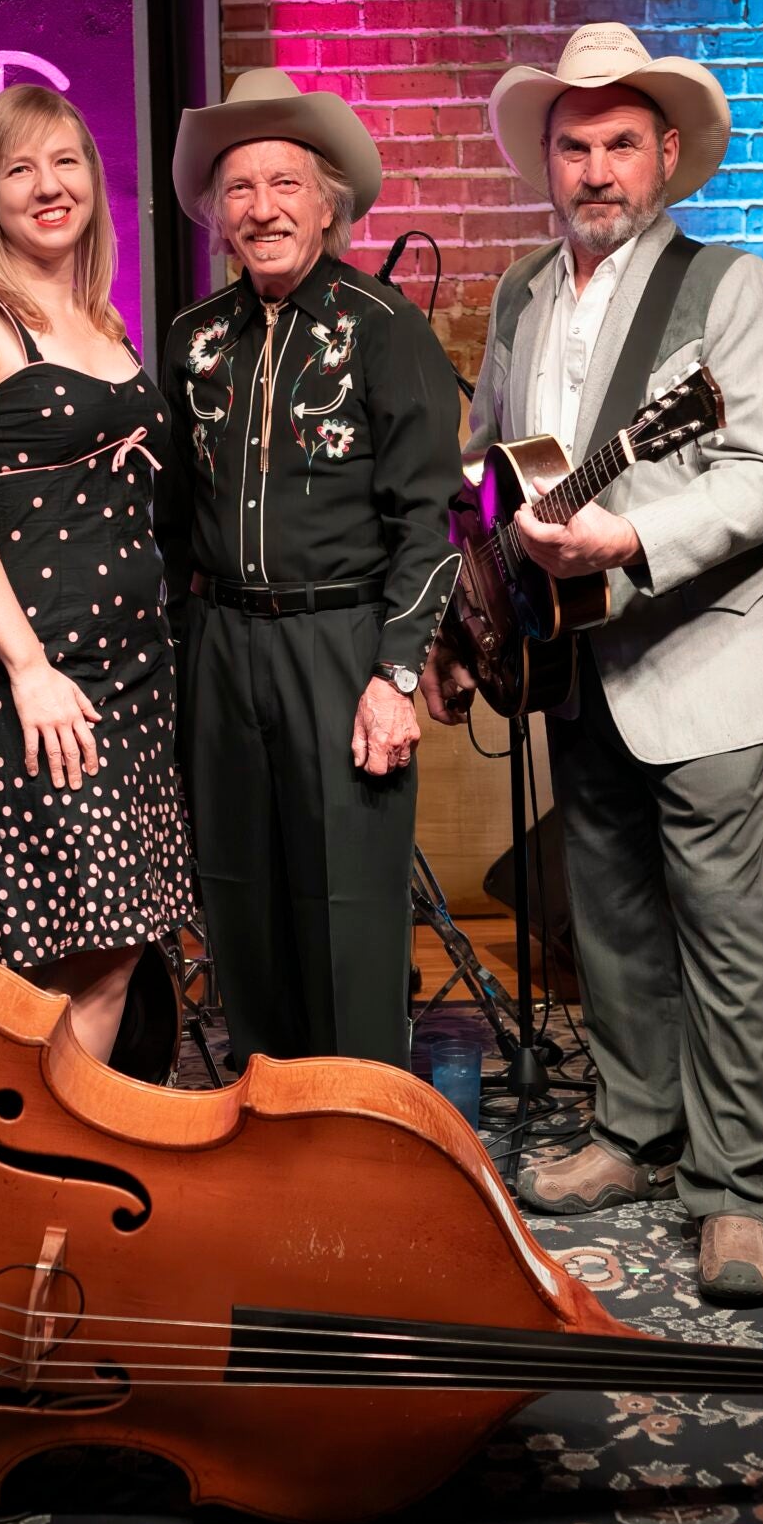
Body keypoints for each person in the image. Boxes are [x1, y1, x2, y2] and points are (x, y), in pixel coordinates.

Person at [425, 23, 763, 1304]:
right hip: (570, 658)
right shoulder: (520, 294)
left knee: (722, 928)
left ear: (667, 159)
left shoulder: (732, 286)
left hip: (702, 656)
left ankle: (739, 1189)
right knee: (609, 921)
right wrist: (485, 574)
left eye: (621, 147)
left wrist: (629, 532)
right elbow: (494, 459)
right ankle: (637, 1131)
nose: (596, 170)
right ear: (548, 160)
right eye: (574, 146)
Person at [160, 70, 464, 1067]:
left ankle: (361, 1139)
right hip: (220, 642)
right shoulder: (192, 340)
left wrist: (397, 675)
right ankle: (267, 1123)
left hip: (344, 647)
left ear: (328, 203)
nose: (263, 208)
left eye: (285, 183)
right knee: (239, 901)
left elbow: (428, 522)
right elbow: (171, 522)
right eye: (240, 189)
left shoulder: (385, 328)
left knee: (349, 909)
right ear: (217, 216)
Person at [0, 85, 194, 1064]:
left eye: (64, 160)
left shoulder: (105, 323)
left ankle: (59, 1175)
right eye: (17, 167)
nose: (45, 185)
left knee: (111, 950)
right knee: (63, 951)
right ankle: (19, 1171)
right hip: (42, 678)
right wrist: (27, 666)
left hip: (134, 682)